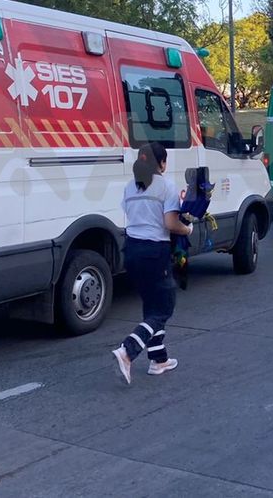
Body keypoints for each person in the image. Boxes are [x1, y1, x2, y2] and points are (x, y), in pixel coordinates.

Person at [111, 142, 193, 385]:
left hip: (132, 250)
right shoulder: (166, 186)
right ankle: (127, 351)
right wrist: (187, 228)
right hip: (154, 251)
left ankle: (159, 360)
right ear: (162, 163)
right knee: (164, 306)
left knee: (152, 304)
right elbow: (170, 223)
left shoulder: (130, 187)